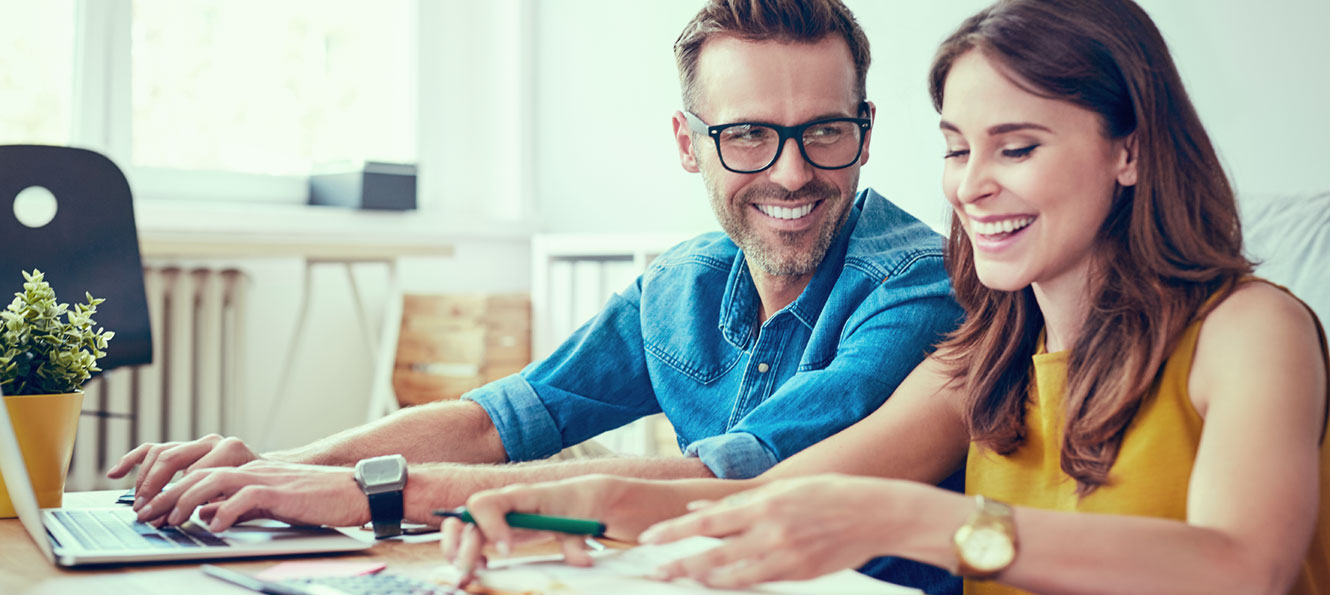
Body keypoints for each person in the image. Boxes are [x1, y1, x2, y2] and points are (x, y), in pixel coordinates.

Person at [442, 0, 1330, 593]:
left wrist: (926, 519)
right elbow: (780, 495)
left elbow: (1242, 563)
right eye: (956, 147)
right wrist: (570, 507)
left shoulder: (1251, 330)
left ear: (1128, 150)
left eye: (1015, 147)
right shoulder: (986, 354)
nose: (971, 186)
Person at [108, 0, 963, 591]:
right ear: (687, 142)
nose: (792, 171)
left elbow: (723, 477)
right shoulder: (682, 281)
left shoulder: (918, 285)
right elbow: (498, 419)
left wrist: (366, 491)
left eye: (824, 131)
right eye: (746, 134)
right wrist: (278, 467)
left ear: (864, 131)